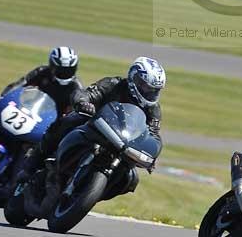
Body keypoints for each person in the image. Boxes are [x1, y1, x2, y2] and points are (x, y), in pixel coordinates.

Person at [23, 56, 166, 215]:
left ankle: (85, 195)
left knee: (131, 179)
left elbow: (153, 134)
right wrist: (84, 103)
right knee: (68, 120)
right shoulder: (113, 84)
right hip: (95, 125)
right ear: (134, 78)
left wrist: (152, 153)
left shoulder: (153, 109)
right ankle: (33, 161)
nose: (149, 92)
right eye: (145, 87)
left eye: (154, 89)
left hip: (122, 142)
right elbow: (86, 93)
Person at [0, 46, 83, 116]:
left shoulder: (76, 87)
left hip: (56, 123)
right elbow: (19, 84)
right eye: (61, 70)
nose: (64, 73)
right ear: (52, 66)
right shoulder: (41, 71)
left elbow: (79, 109)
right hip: (31, 111)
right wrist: (2, 98)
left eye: (68, 70)